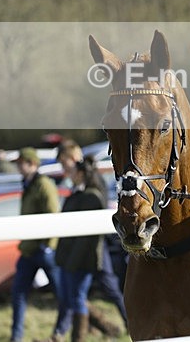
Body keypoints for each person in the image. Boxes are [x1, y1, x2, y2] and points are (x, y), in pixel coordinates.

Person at [55, 140, 127, 338]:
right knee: (76, 294)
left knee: (106, 287)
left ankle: (122, 323)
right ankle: (95, 327)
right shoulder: (81, 184)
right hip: (85, 245)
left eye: (64, 163)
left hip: (94, 244)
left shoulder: (90, 181)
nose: (64, 169)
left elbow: (95, 207)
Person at [10, 147, 70, 342]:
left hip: (44, 250)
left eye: (22, 164)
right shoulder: (27, 184)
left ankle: (61, 332)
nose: (19, 167)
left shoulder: (43, 184)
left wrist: (48, 246)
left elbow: (54, 214)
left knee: (62, 294)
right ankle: (16, 336)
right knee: (18, 292)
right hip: (28, 249)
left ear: (33, 164)